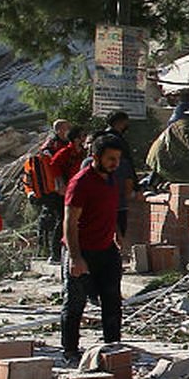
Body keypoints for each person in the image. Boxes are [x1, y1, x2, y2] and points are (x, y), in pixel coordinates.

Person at [61, 135, 127, 362]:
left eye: (117, 159)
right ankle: (70, 351)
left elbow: (110, 210)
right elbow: (70, 222)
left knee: (112, 301)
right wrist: (76, 257)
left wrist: (117, 233)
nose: (114, 163)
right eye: (110, 158)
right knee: (75, 303)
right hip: (82, 250)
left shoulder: (112, 180)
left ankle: (113, 349)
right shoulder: (81, 182)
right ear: (95, 156)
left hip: (106, 250)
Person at [103, 110, 140, 243]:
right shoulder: (117, 141)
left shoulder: (102, 137)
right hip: (117, 190)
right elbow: (127, 167)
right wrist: (135, 187)